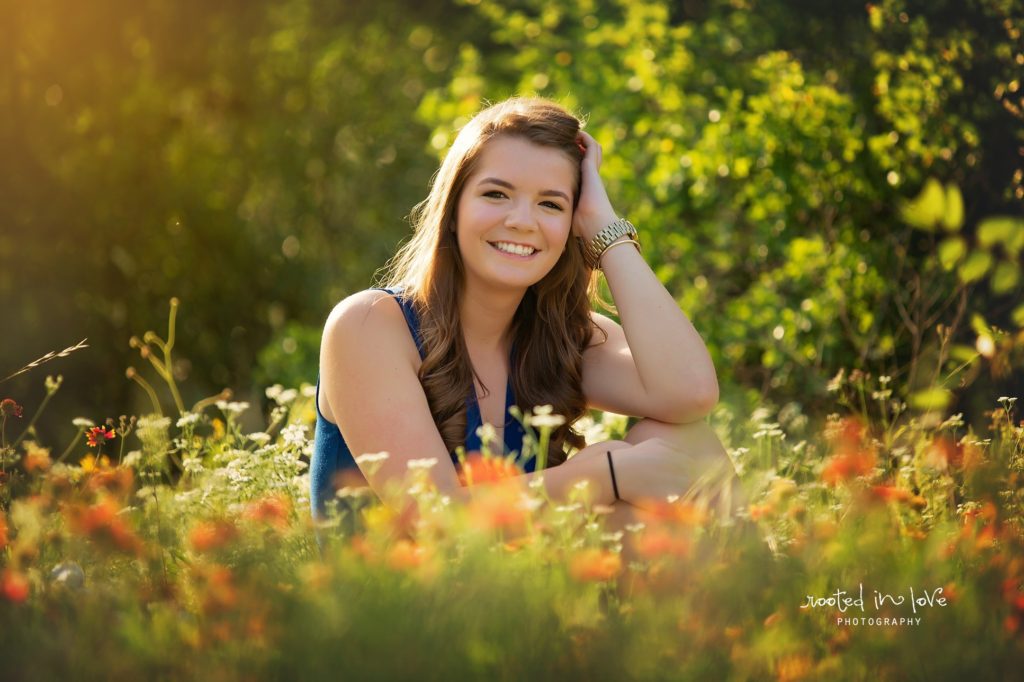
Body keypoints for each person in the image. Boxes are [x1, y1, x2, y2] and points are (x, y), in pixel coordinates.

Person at [310, 96, 741, 542]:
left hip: (517, 583)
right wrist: (606, 473)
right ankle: (760, 599)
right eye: (496, 194)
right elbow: (432, 518)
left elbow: (690, 394)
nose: (521, 221)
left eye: (551, 205)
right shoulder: (369, 325)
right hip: (398, 597)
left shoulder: (559, 335)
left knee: (686, 440)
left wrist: (604, 228)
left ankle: (759, 600)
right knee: (634, 516)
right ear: (453, 210)